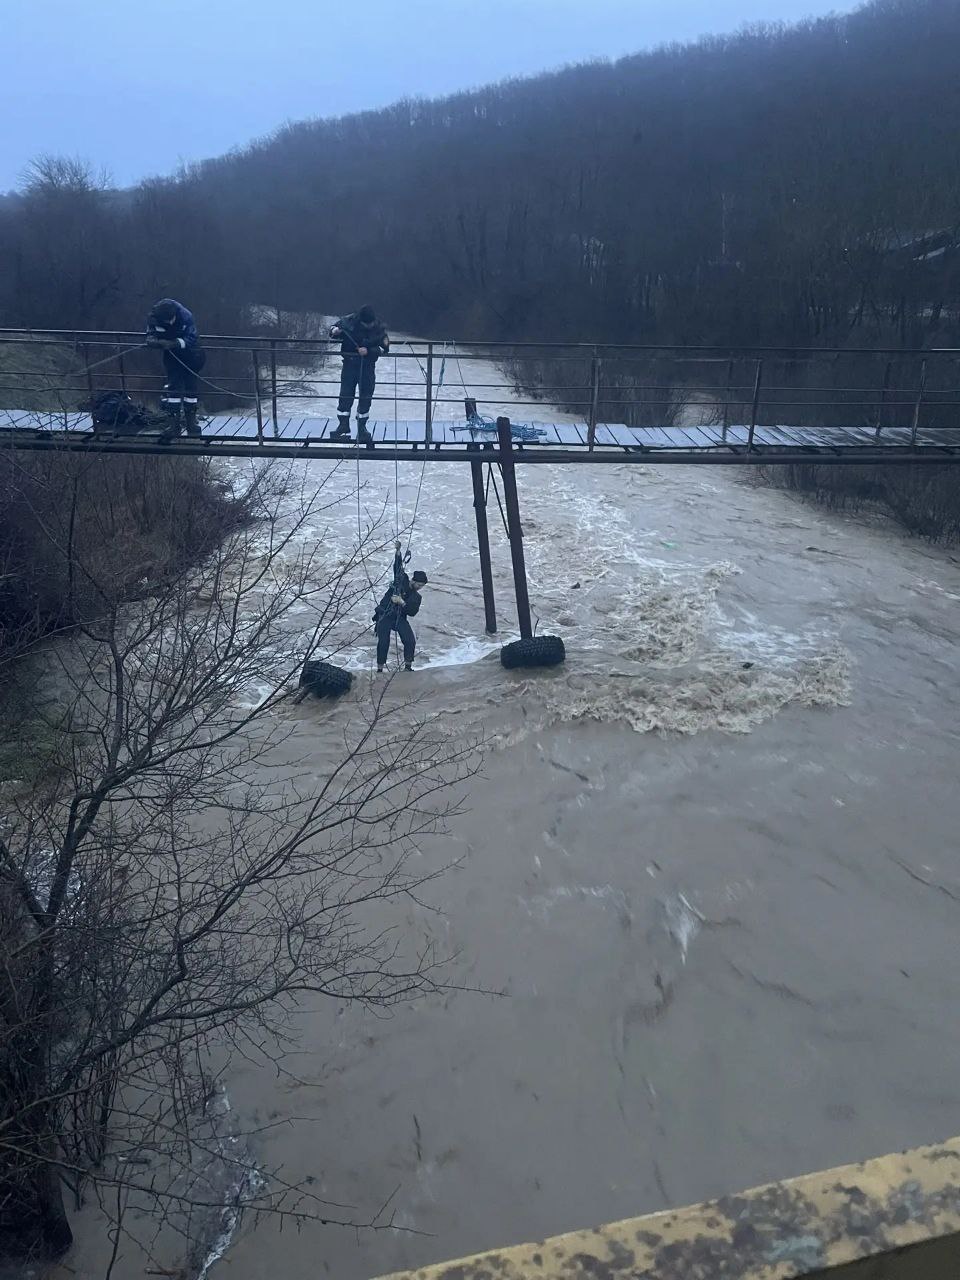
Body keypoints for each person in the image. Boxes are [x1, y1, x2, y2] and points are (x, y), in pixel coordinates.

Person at [145, 298, 206, 437]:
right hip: (171, 356)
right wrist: (152, 341)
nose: (170, 323)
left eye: (171, 320)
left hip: (191, 355)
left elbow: (192, 337)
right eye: (166, 321)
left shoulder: (185, 315)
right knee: (173, 388)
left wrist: (176, 343)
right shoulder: (154, 318)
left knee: (191, 387)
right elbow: (151, 333)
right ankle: (174, 424)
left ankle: (191, 422)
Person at [329, 306, 390, 444]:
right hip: (349, 365)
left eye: (371, 323)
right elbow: (332, 330)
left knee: (366, 397)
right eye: (367, 324)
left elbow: (384, 348)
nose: (369, 326)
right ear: (361, 320)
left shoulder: (379, 328)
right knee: (345, 395)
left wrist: (369, 351)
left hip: (367, 367)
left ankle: (362, 428)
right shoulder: (348, 322)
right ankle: (343, 425)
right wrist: (335, 331)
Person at [374, 543, 427, 672]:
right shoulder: (402, 580)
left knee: (410, 640)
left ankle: (408, 667)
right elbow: (398, 567)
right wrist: (398, 551)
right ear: (413, 581)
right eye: (418, 584)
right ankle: (380, 669)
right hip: (385, 614)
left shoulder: (417, 597)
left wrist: (402, 602)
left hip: (399, 618)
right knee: (384, 642)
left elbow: (412, 612)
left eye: (422, 586)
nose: (419, 587)